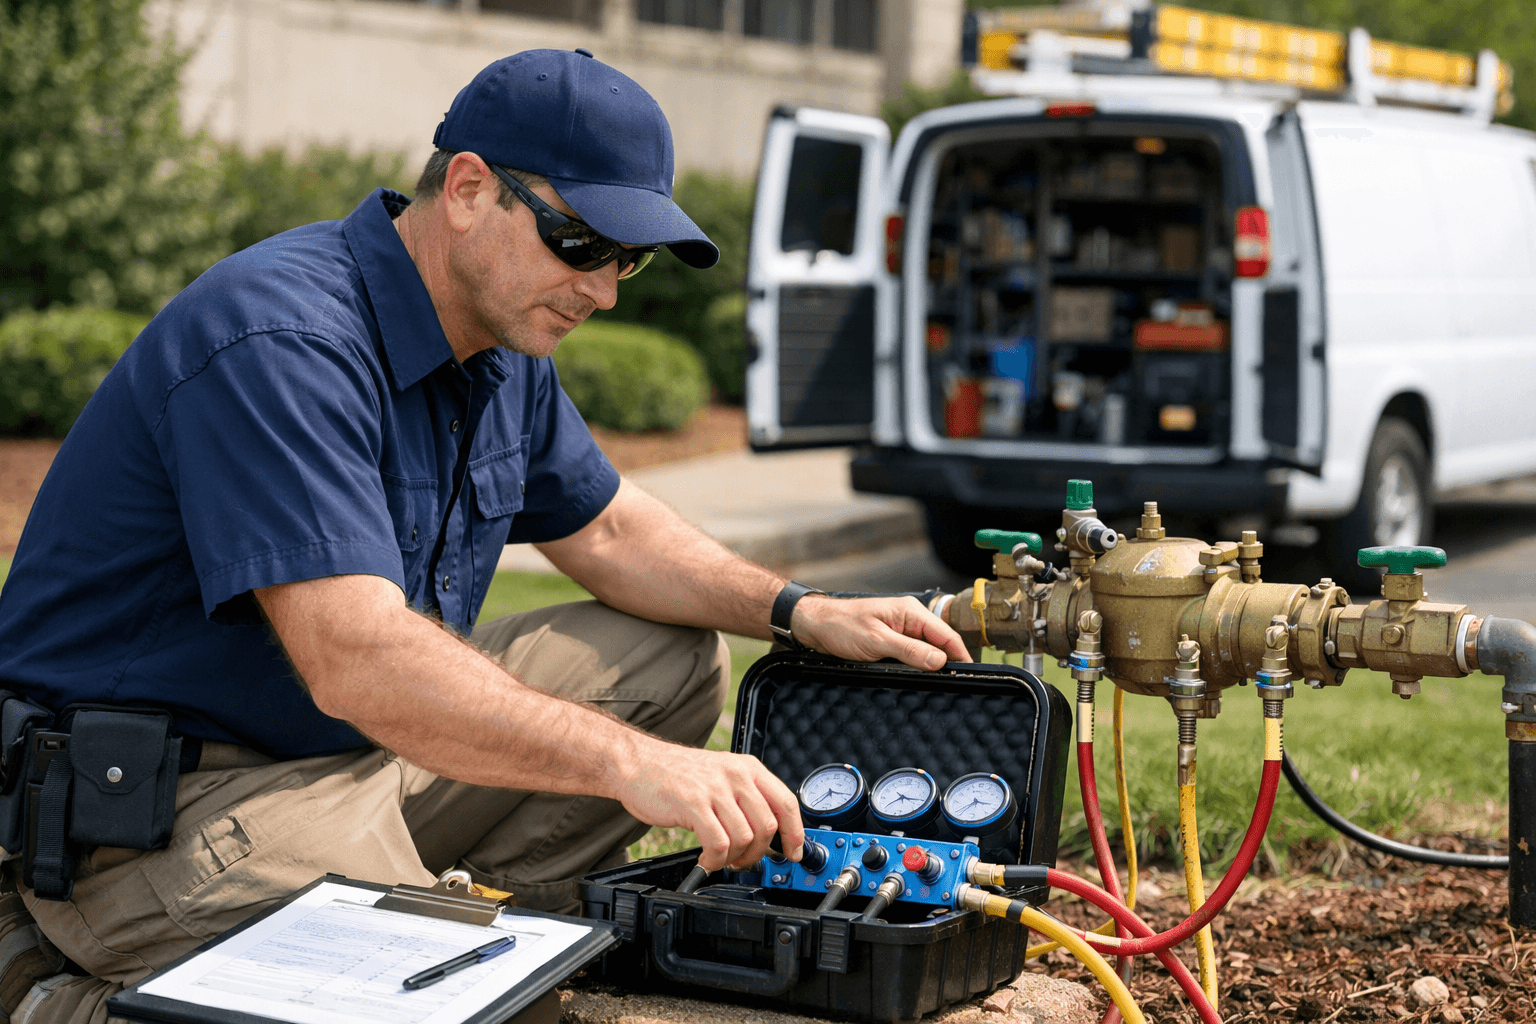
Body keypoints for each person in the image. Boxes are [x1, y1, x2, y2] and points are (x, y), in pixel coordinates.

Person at [0, 48, 968, 1022]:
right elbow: (357, 658)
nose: (606, 290)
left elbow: (613, 529)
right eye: (582, 243)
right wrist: (631, 763)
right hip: (169, 814)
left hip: (355, 759)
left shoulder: (500, 342)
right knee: (441, 998)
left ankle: (452, 928)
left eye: (628, 258)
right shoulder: (282, 339)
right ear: (468, 189)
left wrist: (798, 610)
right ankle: (47, 988)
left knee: (670, 657)